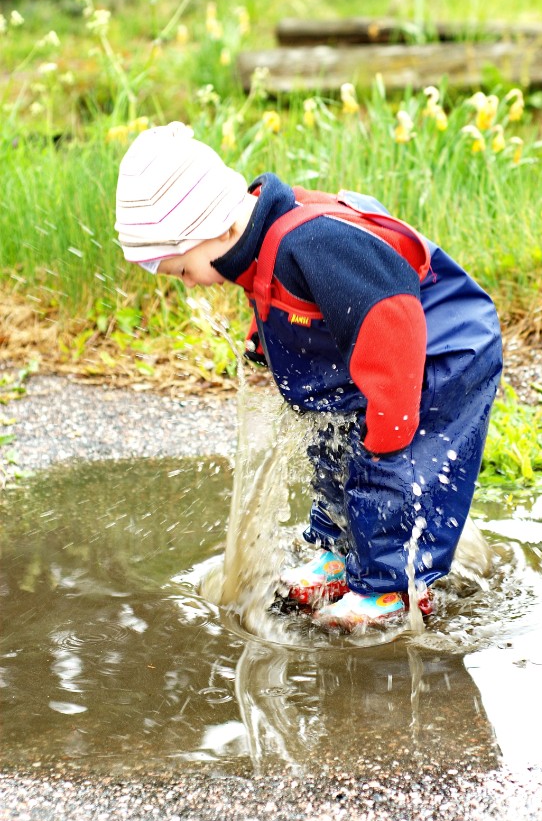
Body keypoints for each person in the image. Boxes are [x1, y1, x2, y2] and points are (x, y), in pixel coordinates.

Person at [115, 121, 502, 630]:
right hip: (380, 355)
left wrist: (390, 417)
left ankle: (391, 590)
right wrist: (263, 336)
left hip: (439, 352)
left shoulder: (313, 242)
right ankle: (339, 557)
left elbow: (392, 317)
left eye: (184, 269)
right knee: (332, 446)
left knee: (388, 465)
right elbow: (284, 296)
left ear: (218, 229)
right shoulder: (253, 245)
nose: (189, 284)